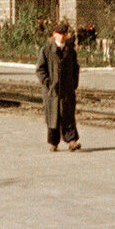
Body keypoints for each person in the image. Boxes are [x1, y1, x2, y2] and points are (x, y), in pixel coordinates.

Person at [36, 21, 80, 152]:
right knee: (53, 116)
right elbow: (40, 69)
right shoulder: (46, 50)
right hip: (52, 91)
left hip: (67, 89)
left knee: (68, 115)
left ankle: (72, 141)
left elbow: (75, 68)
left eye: (64, 34)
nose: (61, 36)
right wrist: (48, 83)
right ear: (54, 34)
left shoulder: (70, 51)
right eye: (59, 33)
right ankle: (54, 143)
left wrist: (73, 84)